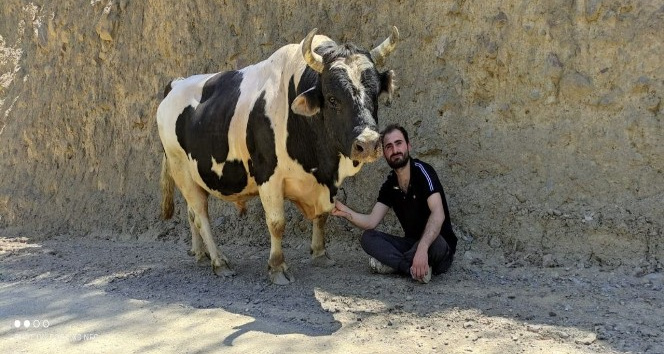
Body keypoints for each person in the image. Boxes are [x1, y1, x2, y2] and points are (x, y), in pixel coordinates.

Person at [331, 124, 457, 283]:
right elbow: (371, 222)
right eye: (389, 146)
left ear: (408, 146)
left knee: (436, 242)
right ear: (384, 153)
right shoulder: (390, 185)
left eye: (399, 143)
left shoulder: (423, 172)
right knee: (368, 238)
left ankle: (396, 265)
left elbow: (438, 214)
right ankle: (410, 268)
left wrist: (422, 248)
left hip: (436, 246)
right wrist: (343, 211)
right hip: (411, 244)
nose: (395, 150)